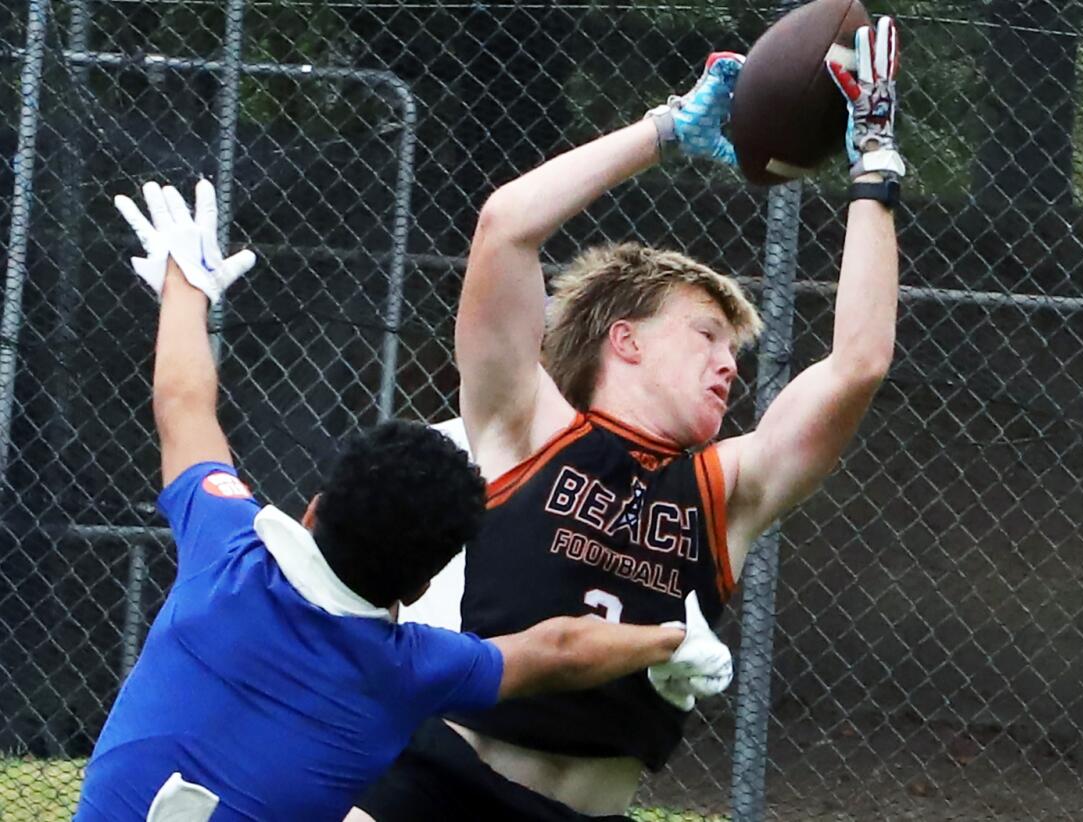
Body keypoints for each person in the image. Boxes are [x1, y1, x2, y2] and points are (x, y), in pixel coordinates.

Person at [353, 16, 906, 821]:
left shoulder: (728, 492)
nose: (728, 363)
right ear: (625, 341)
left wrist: (875, 169)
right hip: (440, 791)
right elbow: (506, 226)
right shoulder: (526, 428)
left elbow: (859, 361)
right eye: (707, 335)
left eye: (734, 350)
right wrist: (664, 130)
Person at [74, 180, 734, 822]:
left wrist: (185, 287)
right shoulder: (412, 668)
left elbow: (184, 404)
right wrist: (666, 640)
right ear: (422, 587)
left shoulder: (225, 547)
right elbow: (557, 647)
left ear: (314, 509)